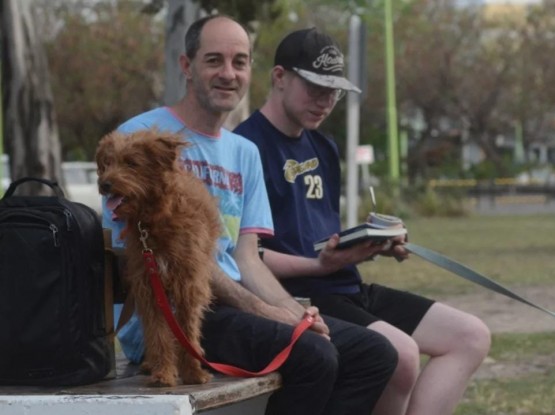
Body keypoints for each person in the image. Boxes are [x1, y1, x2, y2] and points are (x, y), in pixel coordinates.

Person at [104, 15, 397, 415]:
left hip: (229, 305)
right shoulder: (145, 139)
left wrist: (297, 313)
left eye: (239, 62)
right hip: (172, 314)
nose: (228, 73)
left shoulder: (244, 152)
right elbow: (174, 259)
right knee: (314, 356)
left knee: (374, 353)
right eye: (214, 60)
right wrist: (265, 311)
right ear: (186, 66)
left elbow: (248, 259)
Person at [235, 27, 492, 415]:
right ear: (279, 78)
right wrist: (321, 264)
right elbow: (246, 254)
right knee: (400, 355)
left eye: (334, 92)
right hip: (300, 295)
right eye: (315, 88)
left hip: (345, 286)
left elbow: (317, 231)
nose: (325, 102)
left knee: (470, 336)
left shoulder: (323, 145)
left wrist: (370, 241)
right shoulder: (245, 146)